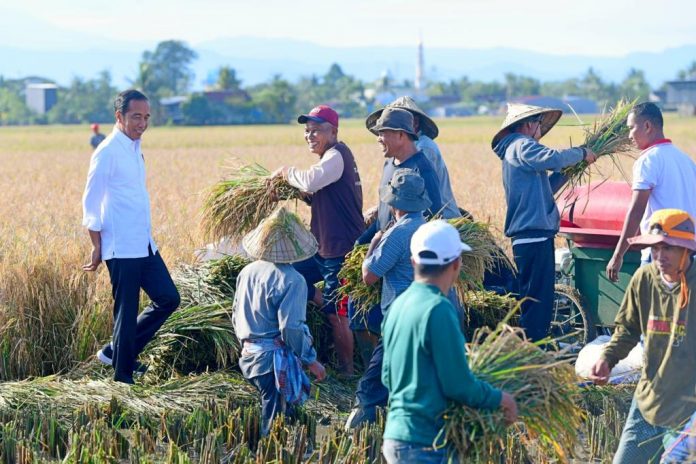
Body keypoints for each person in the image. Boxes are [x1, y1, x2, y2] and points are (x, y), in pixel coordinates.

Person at [381, 220, 518, 463]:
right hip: (426, 444)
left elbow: (387, 376)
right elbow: (457, 384)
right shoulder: (438, 309)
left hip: (396, 437)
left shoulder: (397, 306)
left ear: (413, 262)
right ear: (457, 264)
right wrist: (500, 399)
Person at [82, 89, 180, 384]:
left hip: (144, 243)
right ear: (119, 117)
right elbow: (90, 200)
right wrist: (96, 246)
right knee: (125, 312)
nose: (142, 122)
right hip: (121, 246)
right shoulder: (108, 151)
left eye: (146, 116)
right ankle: (122, 378)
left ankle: (116, 352)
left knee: (168, 298)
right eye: (136, 116)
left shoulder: (135, 148)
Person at [589, 209, 696, 464]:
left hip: (689, 409)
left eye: (667, 248)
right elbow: (627, 329)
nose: (659, 256)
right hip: (650, 399)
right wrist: (607, 358)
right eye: (655, 249)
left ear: (687, 249)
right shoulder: (644, 279)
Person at [491, 103, 597, 341]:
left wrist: (569, 171)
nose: (540, 130)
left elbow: (546, 188)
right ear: (529, 124)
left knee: (536, 299)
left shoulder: (520, 151)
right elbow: (552, 158)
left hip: (532, 236)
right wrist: (581, 153)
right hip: (533, 235)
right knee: (537, 303)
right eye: (539, 124)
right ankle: (532, 353)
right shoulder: (521, 145)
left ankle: (531, 350)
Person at [273, 105, 364, 376]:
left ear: (333, 131)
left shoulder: (337, 156)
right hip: (321, 249)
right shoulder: (328, 159)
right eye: (307, 130)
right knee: (291, 277)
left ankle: (347, 372)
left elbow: (310, 182)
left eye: (316, 130)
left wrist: (287, 172)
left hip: (341, 250)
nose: (310, 135)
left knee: (338, 314)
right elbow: (314, 193)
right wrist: (288, 191)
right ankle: (321, 300)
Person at [346, 168, 430, 429]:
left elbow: (369, 275)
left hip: (401, 318)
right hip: (424, 314)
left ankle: (359, 428)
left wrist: (374, 243)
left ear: (395, 203)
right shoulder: (426, 227)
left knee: (373, 383)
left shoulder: (399, 234)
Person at [233, 207, 326, 437]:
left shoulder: (247, 272)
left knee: (282, 414)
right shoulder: (293, 280)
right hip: (270, 363)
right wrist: (311, 360)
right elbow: (291, 328)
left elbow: (236, 313)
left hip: (248, 355)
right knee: (274, 421)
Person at [606, 102, 696, 280]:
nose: (629, 135)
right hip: (688, 253)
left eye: (631, 128)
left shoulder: (648, 160)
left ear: (647, 126)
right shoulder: (685, 160)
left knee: (651, 306)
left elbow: (636, 210)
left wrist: (618, 255)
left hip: (660, 253)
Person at [357, 107, 444, 245]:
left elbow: (432, 218)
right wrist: (362, 241)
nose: (378, 139)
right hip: (383, 248)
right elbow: (384, 214)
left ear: (401, 135)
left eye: (382, 133)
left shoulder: (422, 170)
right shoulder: (388, 165)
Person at [366, 96, 460, 218]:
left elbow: (416, 195)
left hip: (441, 219)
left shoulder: (424, 149)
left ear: (414, 123)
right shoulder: (394, 157)